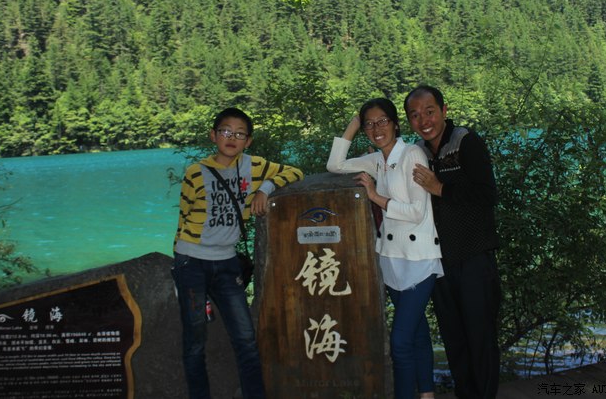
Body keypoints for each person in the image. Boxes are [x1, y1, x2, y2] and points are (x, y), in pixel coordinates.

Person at [172, 107, 304, 399]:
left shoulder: (253, 166)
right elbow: (183, 221)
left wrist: (265, 189)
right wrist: (178, 268)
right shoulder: (195, 173)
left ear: (249, 140)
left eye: (240, 134)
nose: (232, 138)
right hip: (191, 262)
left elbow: (295, 172)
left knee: (245, 339)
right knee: (195, 341)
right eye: (226, 131)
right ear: (213, 135)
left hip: (227, 263)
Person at [326, 98, 443, 399]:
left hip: (419, 260)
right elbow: (335, 165)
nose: (376, 128)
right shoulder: (377, 159)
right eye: (369, 124)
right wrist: (353, 124)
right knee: (417, 333)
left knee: (400, 342)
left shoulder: (413, 154)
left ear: (395, 124)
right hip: (391, 260)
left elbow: (416, 211)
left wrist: (375, 196)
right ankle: (427, 395)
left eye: (382, 121)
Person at [404, 85, 501, 399]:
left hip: (474, 257)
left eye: (430, 111)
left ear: (444, 111)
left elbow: (487, 195)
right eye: (415, 115)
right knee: (455, 340)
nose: (424, 120)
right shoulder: (417, 152)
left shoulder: (466, 141)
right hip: (439, 262)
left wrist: (441, 188)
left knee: (481, 339)